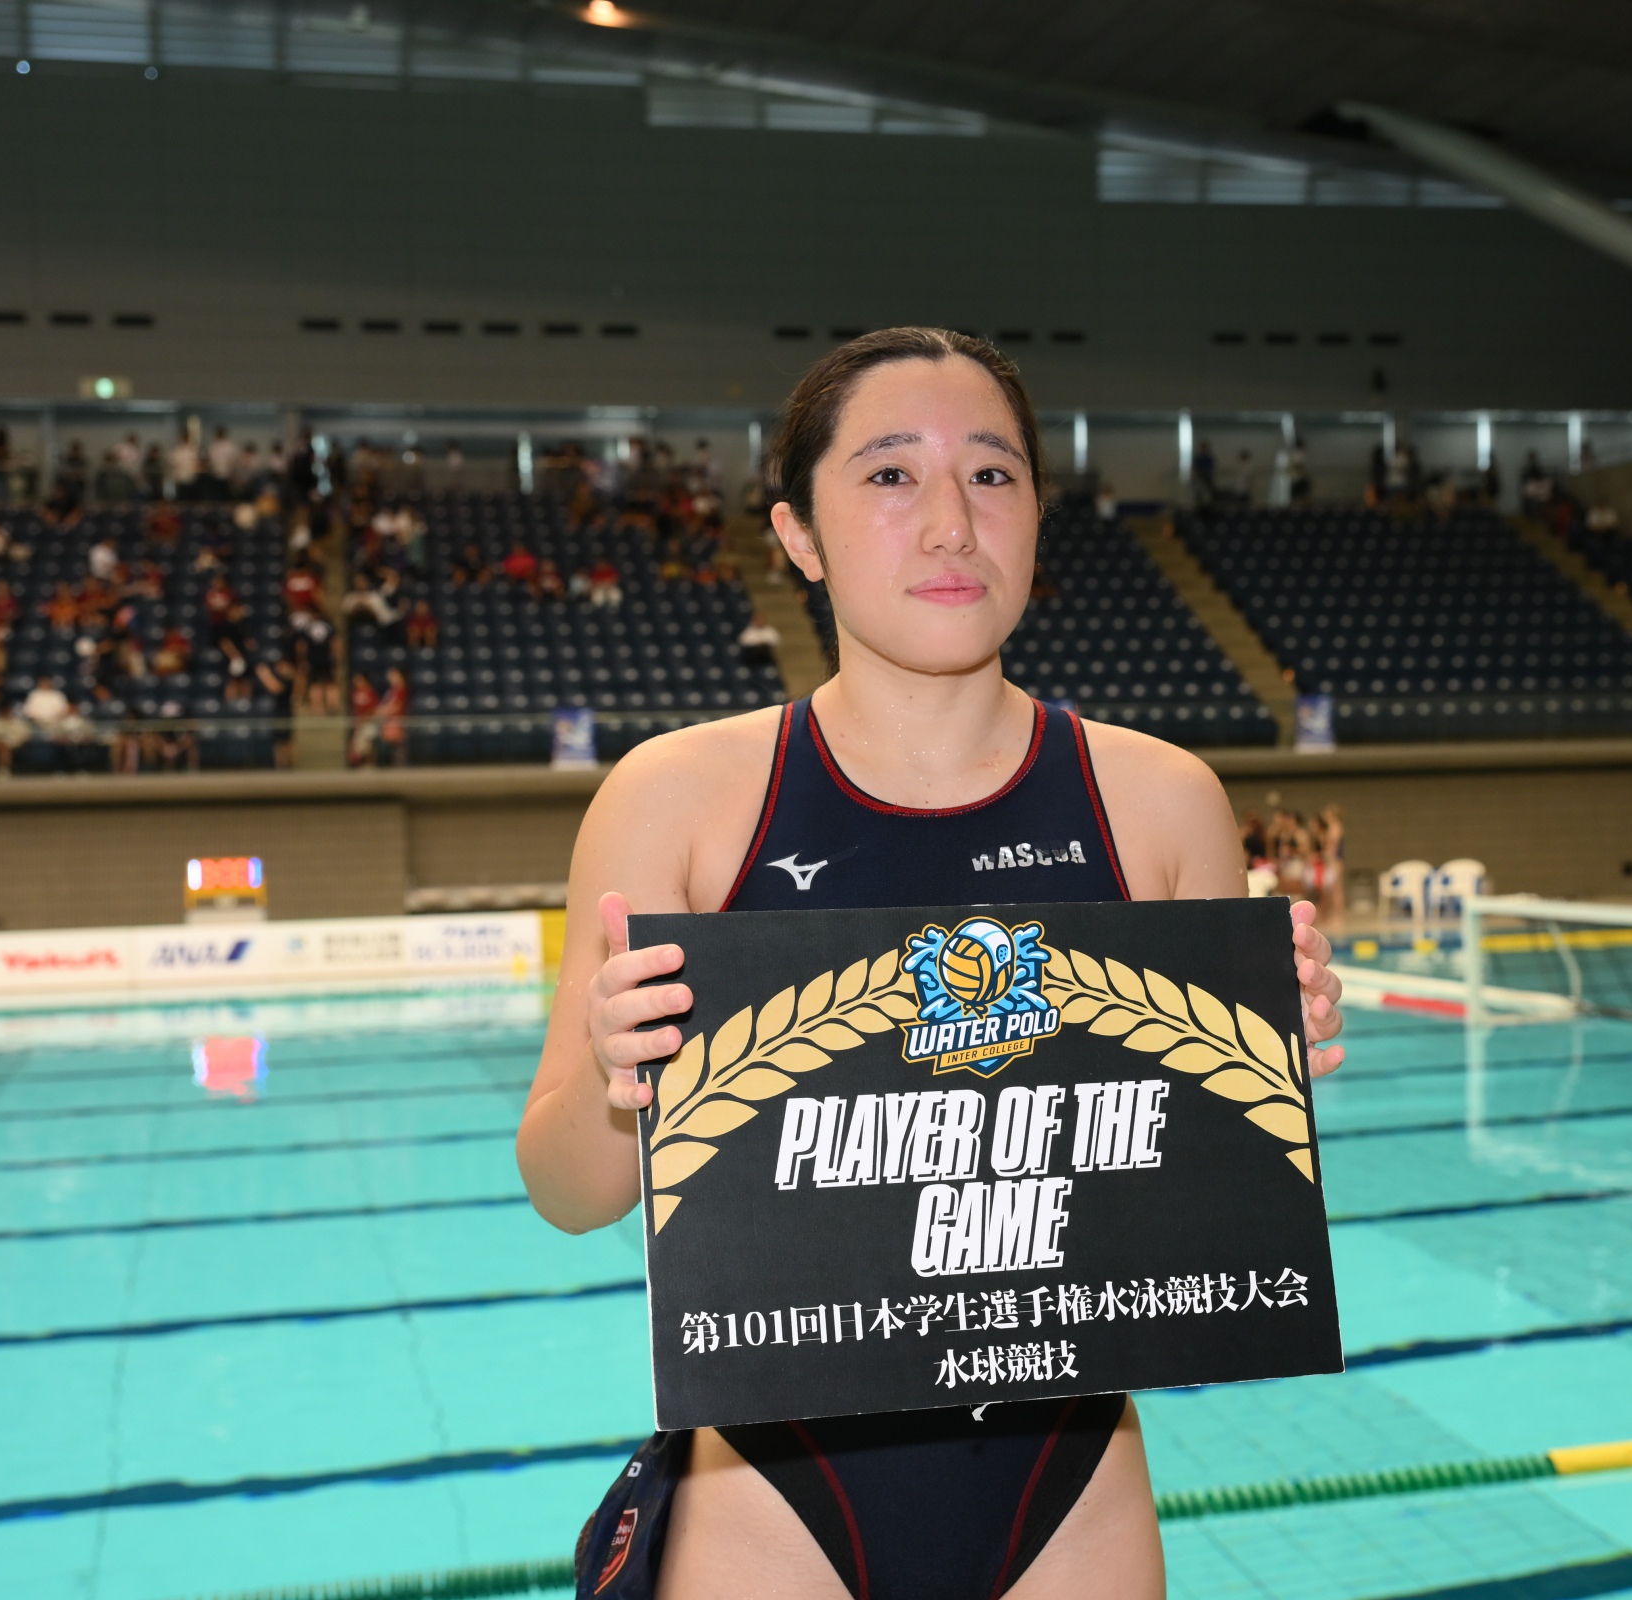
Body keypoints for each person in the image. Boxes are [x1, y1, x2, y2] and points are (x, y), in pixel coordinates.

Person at [516, 329, 1344, 1600]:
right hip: (769, 1499)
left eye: (993, 474)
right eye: (892, 475)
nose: (953, 523)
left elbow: (1194, 1223)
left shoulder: (1163, 800)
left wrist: (1277, 1069)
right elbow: (566, 1193)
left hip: (1071, 1490)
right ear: (799, 535)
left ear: (1038, 515)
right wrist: (615, 1081)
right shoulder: (677, 798)